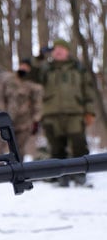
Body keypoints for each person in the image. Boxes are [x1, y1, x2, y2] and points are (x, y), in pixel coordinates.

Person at [31, 39, 97, 185]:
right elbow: (31, 76)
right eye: (56, 49)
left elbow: (88, 91)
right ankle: (61, 176)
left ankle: (80, 174)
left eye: (62, 48)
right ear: (52, 52)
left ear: (67, 51)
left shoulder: (78, 68)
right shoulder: (45, 68)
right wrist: (39, 58)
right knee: (56, 147)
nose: (59, 51)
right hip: (51, 114)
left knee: (79, 144)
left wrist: (90, 111)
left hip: (75, 113)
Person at [14, 56, 44, 158]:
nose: (23, 68)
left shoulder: (34, 85)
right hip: (12, 120)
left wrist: (36, 120)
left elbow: (38, 104)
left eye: (25, 66)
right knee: (12, 149)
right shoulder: (12, 81)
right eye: (21, 66)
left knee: (23, 150)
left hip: (26, 122)